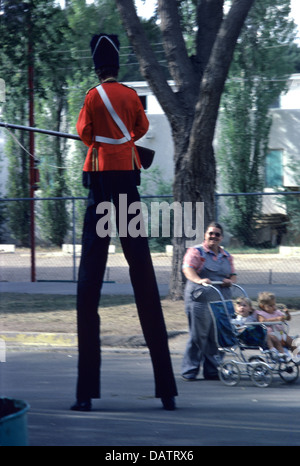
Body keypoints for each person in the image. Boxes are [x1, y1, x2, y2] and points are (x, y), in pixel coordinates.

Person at [71, 33, 177, 412]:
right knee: (144, 278)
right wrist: (122, 142)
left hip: (100, 185)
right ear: (117, 66)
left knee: (88, 285)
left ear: (97, 67)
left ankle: (85, 394)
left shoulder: (91, 96)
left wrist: (102, 140)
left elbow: (85, 134)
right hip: (128, 185)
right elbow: (140, 128)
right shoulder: (131, 96)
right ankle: (167, 390)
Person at [181, 222, 237, 380]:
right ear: (205, 235)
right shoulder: (196, 251)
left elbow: (233, 275)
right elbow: (188, 269)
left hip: (220, 299)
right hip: (200, 298)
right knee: (199, 335)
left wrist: (230, 280)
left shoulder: (226, 255)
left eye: (217, 234)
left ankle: (212, 370)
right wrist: (199, 280)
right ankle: (190, 370)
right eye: (210, 233)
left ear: (221, 238)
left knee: (217, 334)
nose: (213, 236)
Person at [256, 291, 296, 360]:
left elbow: (287, 318)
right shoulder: (261, 314)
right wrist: (276, 319)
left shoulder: (277, 312)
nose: (273, 307)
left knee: (291, 341)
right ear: (262, 306)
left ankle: (297, 355)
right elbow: (262, 321)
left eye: (274, 304)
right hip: (270, 335)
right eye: (270, 306)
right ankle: (283, 355)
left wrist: (287, 314)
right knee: (276, 341)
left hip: (280, 333)